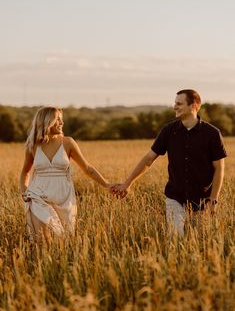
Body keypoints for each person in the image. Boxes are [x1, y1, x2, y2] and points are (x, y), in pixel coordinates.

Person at [111, 89, 227, 236]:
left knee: (199, 244)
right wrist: (127, 183)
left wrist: (213, 200)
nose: (174, 107)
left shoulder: (212, 133)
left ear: (194, 105)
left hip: (202, 201)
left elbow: (219, 169)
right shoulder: (168, 131)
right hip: (175, 198)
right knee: (175, 240)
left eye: (179, 104)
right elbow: (148, 159)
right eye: (175, 103)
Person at [20, 107, 111, 243]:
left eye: (61, 119)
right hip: (37, 197)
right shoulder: (33, 146)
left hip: (64, 199)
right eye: (57, 119)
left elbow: (87, 168)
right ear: (46, 121)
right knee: (42, 243)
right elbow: (25, 172)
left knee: (63, 242)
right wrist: (25, 192)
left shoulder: (68, 143)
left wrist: (108, 185)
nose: (61, 123)